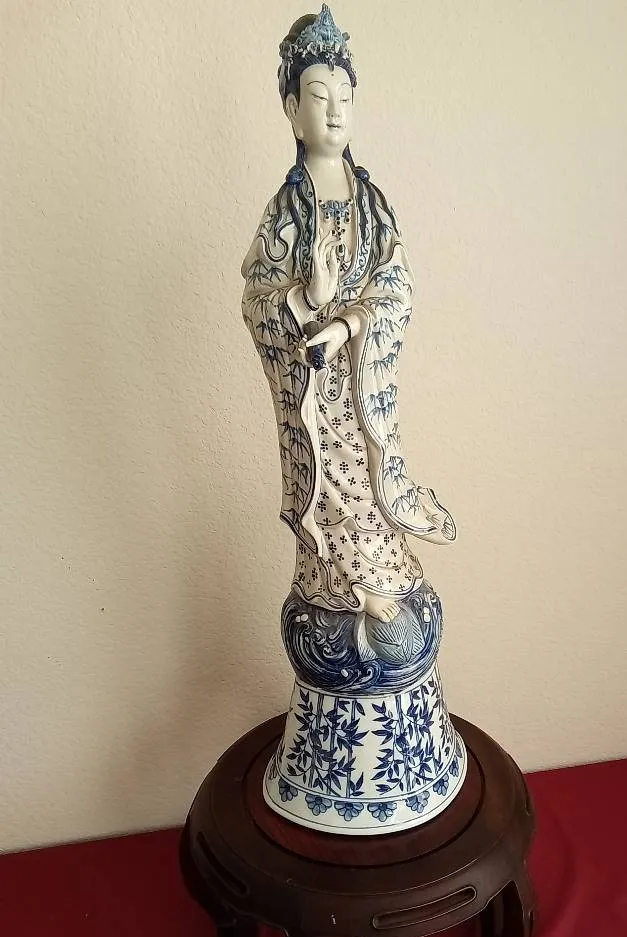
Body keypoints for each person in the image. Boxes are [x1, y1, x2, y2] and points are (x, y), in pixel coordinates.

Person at [241, 5, 455, 624]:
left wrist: (348, 324)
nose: (334, 111)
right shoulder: (286, 211)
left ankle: (381, 570)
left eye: (345, 97)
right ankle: (343, 584)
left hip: (361, 374)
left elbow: (396, 285)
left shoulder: (372, 204)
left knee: (369, 467)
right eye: (318, 96)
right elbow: (256, 297)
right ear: (291, 109)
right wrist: (307, 300)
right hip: (314, 387)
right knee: (329, 472)